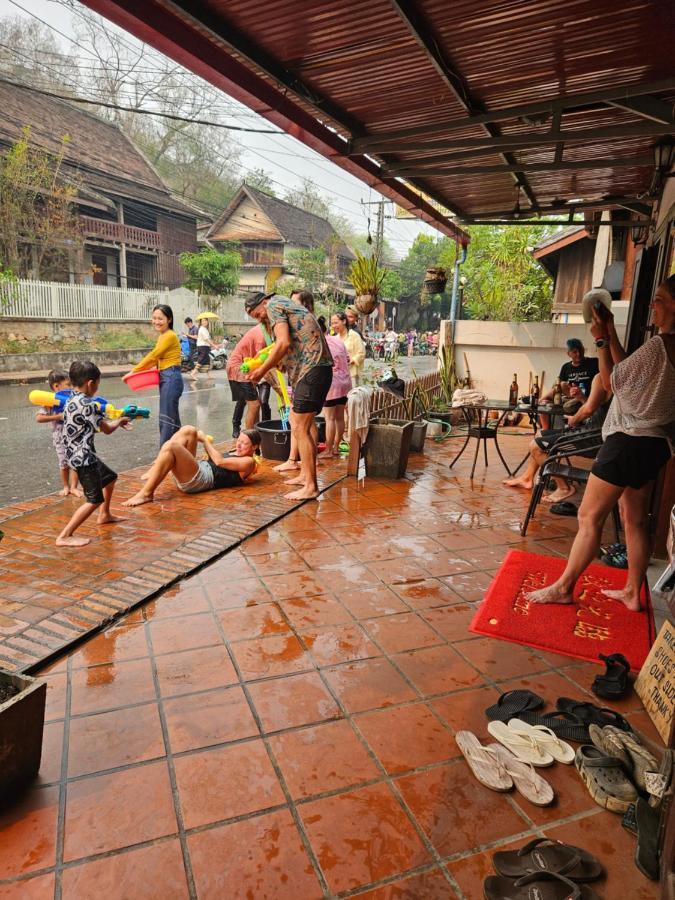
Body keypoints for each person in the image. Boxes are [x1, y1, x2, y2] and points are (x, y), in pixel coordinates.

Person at [527, 276, 675, 612]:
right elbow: (626, 372)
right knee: (633, 519)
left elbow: (610, 382)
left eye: (661, 299)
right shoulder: (668, 347)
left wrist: (600, 342)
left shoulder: (659, 346)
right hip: (655, 444)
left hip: (627, 441)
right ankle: (632, 593)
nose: (653, 305)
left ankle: (564, 587)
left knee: (588, 516)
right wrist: (609, 332)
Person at [245, 291, 333, 500]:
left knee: (300, 426)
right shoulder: (285, 306)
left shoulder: (274, 305)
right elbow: (286, 349)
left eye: (258, 315)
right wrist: (270, 359)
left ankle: (311, 486)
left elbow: (283, 343)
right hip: (314, 370)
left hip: (312, 370)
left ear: (263, 303)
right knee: (298, 422)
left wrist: (260, 370)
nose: (260, 319)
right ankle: (305, 475)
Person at [503, 373, 611, 503]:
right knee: (540, 435)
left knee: (536, 446)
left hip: (592, 438)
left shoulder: (602, 377)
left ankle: (564, 487)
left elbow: (588, 410)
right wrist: (581, 397)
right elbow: (594, 408)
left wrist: (574, 421)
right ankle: (527, 478)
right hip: (592, 432)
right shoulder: (613, 377)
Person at [56, 361, 130, 547]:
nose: (97, 387)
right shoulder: (89, 405)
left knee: (110, 478)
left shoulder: (71, 399)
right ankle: (64, 536)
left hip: (78, 454)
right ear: (91, 383)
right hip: (83, 459)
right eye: (97, 383)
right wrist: (120, 421)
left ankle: (104, 515)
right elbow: (107, 429)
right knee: (94, 499)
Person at [123, 426, 259, 506]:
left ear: (254, 447)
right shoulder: (237, 452)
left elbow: (219, 462)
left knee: (171, 446)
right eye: (238, 441)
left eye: (244, 443)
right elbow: (212, 457)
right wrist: (200, 440)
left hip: (199, 480)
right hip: (198, 469)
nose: (238, 445)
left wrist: (205, 440)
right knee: (189, 430)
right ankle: (156, 468)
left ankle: (146, 493)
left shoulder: (249, 462)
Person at [128, 304, 182, 446]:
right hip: (168, 377)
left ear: (169, 319)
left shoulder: (169, 336)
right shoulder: (164, 336)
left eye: (160, 318)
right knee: (173, 421)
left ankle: (164, 456)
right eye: (154, 318)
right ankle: (180, 451)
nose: (156, 321)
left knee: (166, 419)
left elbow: (153, 357)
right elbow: (156, 359)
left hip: (171, 377)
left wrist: (134, 371)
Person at [36, 369, 82, 497]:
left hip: (75, 436)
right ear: (56, 386)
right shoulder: (50, 402)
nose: (72, 387)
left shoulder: (73, 399)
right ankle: (66, 486)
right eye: (68, 384)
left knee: (76, 461)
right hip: (60, 437)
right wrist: (58, 416)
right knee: (63, 463)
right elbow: (39, 418)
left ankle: (74, 487)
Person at [226, 325, 271, 437]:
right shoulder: (261, 337)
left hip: (244, 368)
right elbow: (262, 365)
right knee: (254, 405)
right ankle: (248, 438)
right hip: (239, 368)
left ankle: (255, 436)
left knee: (253, 404)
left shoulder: (265, 332)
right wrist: (279, 388)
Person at [317, 315, 351, 458]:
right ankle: (336, 447)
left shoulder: (321, 344)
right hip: (345, 382)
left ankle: (328, 450)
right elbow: (347, 359)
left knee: (329, 418)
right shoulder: (338, 340)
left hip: (332, 383)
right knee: (339, 417)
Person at [331, 311, 365, 386]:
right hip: (338, 377)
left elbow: (361, 354)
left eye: (336, 323)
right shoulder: (335, 338)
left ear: (344, 321)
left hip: (352, 375)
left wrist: (351, 361)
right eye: (332, 323)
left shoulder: (354, 335)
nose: (333, 326)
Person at [192, 316, 217, 381]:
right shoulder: (202, 329)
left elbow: (208, 339)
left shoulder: (205, 329)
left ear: (208, 321)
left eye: (206, 320)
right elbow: (207, 339)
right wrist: (214, 345)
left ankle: (208, 375)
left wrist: (212, 344)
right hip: (202, 347)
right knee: (201, 360)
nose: (205, 322)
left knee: (207, 361)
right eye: (203, 321)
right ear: (201, 322)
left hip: (205, 347)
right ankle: (193, 373)